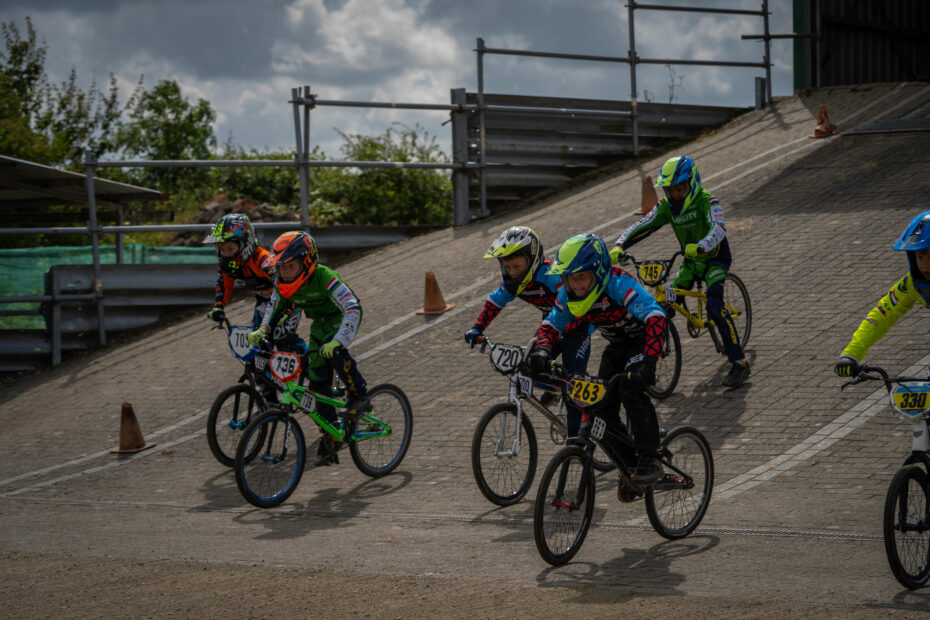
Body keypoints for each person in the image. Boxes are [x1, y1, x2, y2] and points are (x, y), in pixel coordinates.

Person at [527, 233, 668, 486]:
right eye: (571, 278)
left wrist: (649, 361)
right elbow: (551, 324)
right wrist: (542, 350)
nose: (577, 285)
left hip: (642, 341)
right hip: (616, 346)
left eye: (582, 276)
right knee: (601, 405)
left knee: (630, 390)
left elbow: (656, 316)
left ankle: (651, 457)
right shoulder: (568, 296)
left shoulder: (618, 284)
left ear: (599, 271)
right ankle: (631, 467)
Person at [612, 155, 751, 388]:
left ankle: (739, 363)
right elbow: (643, 224)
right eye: (670, 190)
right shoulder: (666, 207)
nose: (675, 194)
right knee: (663, 305)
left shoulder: (708, 201)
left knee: (715, 308)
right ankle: (649, 368)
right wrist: (619, 245)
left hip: (715, 260)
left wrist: (702, 246)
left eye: (680, 189)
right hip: (690, 263)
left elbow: (719, 228)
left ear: (692, 183)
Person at [247, 231, 370, 466]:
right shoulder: (282, 283)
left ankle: (360, 395)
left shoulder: (325, 277)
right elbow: (274, 308)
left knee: (334, 353)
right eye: (281, 268)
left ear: (307, 262)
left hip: (340, 318)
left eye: (290, 266)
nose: (285, 273)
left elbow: (352, 307)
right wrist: (263, 330)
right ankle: (332, 432)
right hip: (318, 326)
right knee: (316, 380)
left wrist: (338, 341)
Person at [464, 226, 592, 431]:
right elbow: (495, 302)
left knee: (573, 388)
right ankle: (557, 386)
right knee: (527, 370)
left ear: (532, 260)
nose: (512, 272)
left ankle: (577, 443)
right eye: (508, 267)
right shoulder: (511, 283)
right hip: (549, 328)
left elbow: (572, 302)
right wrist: (477, 328)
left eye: (517, 266)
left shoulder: (551, 275)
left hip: (577, 328)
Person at [835, 211, 930, 378]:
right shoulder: (912, 284)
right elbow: (881, 316)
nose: (925, 265)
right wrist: (850, 354)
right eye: (920, 256)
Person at [202, 213, 300, 338]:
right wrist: (218, 306)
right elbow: (225, 285)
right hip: (264, 303)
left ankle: (305, 357)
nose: (226, 254)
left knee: (284, 341)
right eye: (222, 249)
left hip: (286, 303)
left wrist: (289, 309)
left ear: (244, 243)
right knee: (256, 341)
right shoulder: (226, 265)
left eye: (230, 249)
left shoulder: (263, 260)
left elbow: (286, 284)